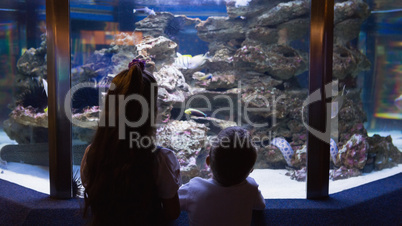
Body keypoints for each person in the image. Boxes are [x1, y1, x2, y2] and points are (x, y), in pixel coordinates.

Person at [80, 59, 181, 225]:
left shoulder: (93, 153)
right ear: (152, 110)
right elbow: (172, 213)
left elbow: (95, 201)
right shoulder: (161, 159)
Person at [178, 126, 266, 226]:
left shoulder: (193, 188)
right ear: (251, 170)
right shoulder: (251, 188)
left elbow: (171, 204)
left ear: (208, 161)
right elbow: (261, 205)